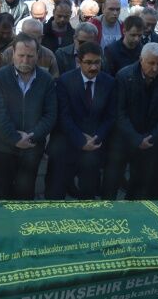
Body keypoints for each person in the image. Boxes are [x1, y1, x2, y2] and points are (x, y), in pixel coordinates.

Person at [0, 33, 57, 199]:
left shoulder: (46, 80)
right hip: (3, 147)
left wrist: (32, 136)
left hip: (32, 147)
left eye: (30, 56)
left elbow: (50, 114)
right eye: (21, 55)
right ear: (13, 53)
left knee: (25, 192)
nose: (25, 60)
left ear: (37, 55)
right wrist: (15, 138)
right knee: (0, 191)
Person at [102, 42, 158, 200]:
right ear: (141, 59)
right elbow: (119, 112)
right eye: (151, 63)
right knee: (112, 180)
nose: (155, 68)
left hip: (149, 139)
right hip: (123, 138)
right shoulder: (124, 76)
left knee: (140, 182)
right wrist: (136, 138)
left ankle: (132, 210)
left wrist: (150, 137)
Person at [46, 41, 115, 199]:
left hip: (95, 140)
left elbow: (110, 116)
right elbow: (63, 116)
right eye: (88, 62)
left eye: (97, 62)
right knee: (56, 186)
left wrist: (97, 137)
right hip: (67, 138)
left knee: (89, 187)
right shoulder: (65, 81)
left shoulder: (109, 83)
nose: (93, 67)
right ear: (79, 61)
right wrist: (81, 140)